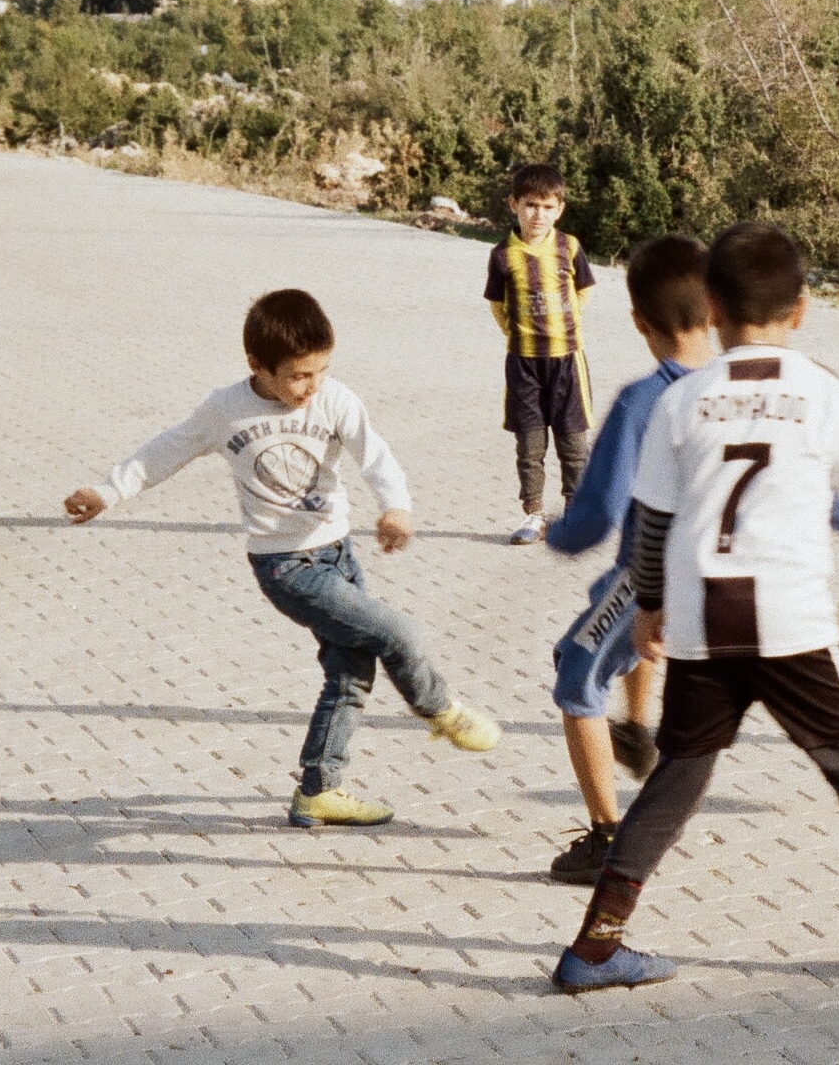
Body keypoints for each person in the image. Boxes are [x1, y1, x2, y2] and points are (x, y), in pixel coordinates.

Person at [550, 221, 839, 993]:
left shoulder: (685, 400)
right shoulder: (821, 389)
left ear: (710, 307)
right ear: (803, 309)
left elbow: (650, 522)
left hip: (706, 620)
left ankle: (597, 945)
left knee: (678, 775)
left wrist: (649, 606)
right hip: (789, 620)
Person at [63, 289, 503, 827]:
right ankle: (441, 710)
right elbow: (168, 448)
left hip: (339, 554)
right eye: (298, 376)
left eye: (319, 371)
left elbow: (376, 455)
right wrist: (107, 491)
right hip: (286, 567)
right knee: (400, 634)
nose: (310, 386)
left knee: (350, 673)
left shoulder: (335, 398)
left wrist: (395, 508)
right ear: (257, 365)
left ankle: (319, 790)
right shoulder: (226, 409)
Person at [542, 235, 714, 885]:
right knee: (624, 627)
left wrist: (558, 533)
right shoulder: (736, 386)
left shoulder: (645, 400)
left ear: (639, 321)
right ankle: (637, 728)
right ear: (716, 310)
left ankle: (606, 838)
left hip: (652, 573)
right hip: (721, 575)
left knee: (575, 673)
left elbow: (596, 514)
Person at [484, 163, 597, 545]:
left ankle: (574, 514)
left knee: (573, 444)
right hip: (523, 364)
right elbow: (497, 305)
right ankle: (534, 515)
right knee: (530, 446)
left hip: (567, 361)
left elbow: (583, 291)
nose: (539, 215)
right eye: (531, 205)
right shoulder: (502, 255)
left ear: (560, 209)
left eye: (548, 207)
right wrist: (521, 334)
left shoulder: (570, 247)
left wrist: (564, 327)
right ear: (514, 204)